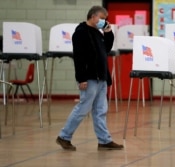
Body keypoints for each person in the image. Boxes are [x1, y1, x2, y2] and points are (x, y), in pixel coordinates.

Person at [56, 6, 123, 151]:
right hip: (89, 78)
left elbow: (106, 49)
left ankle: (104, 141)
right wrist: (81, 78)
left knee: (101, 110)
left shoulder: (98, 33)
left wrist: (108, 33)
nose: (104, 21)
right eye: (102, 18)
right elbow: (78, 57)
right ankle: (64, 136)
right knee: (82, 108)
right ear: (93, 16)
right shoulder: (80, 33)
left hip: (101, 77)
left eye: (106, 18)